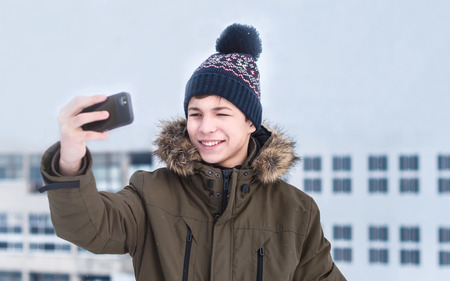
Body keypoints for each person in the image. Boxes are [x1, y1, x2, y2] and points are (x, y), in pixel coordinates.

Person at [40, 23, 346, 281]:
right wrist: (70, 160)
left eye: (221, 114)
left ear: (251, 121)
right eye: (195, 113)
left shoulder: (296, 213)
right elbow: (88, 227)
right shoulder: (151, 193)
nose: (205, 128)